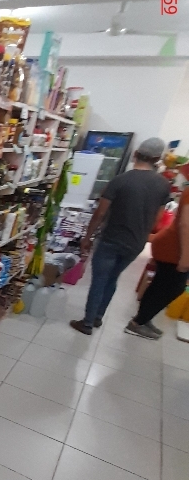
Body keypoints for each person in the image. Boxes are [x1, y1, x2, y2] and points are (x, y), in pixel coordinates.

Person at [70, 137, 170, 335]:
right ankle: (98, 317)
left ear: (135, 155)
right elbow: (157, 219)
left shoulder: (120, 180)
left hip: (111, 239)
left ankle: (87, 323)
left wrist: (87, 237)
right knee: (112, 278)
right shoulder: (163, 184)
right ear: (157, 159)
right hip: (136, 243)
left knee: (99, 280)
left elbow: (100, 212)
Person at [126, 174, 189, 338]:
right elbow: (185, 225)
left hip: (174, 246)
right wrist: (185, 256)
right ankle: (138, 322)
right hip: (174, 248)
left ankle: (142, 319)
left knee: (160, 284)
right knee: (174, 287)